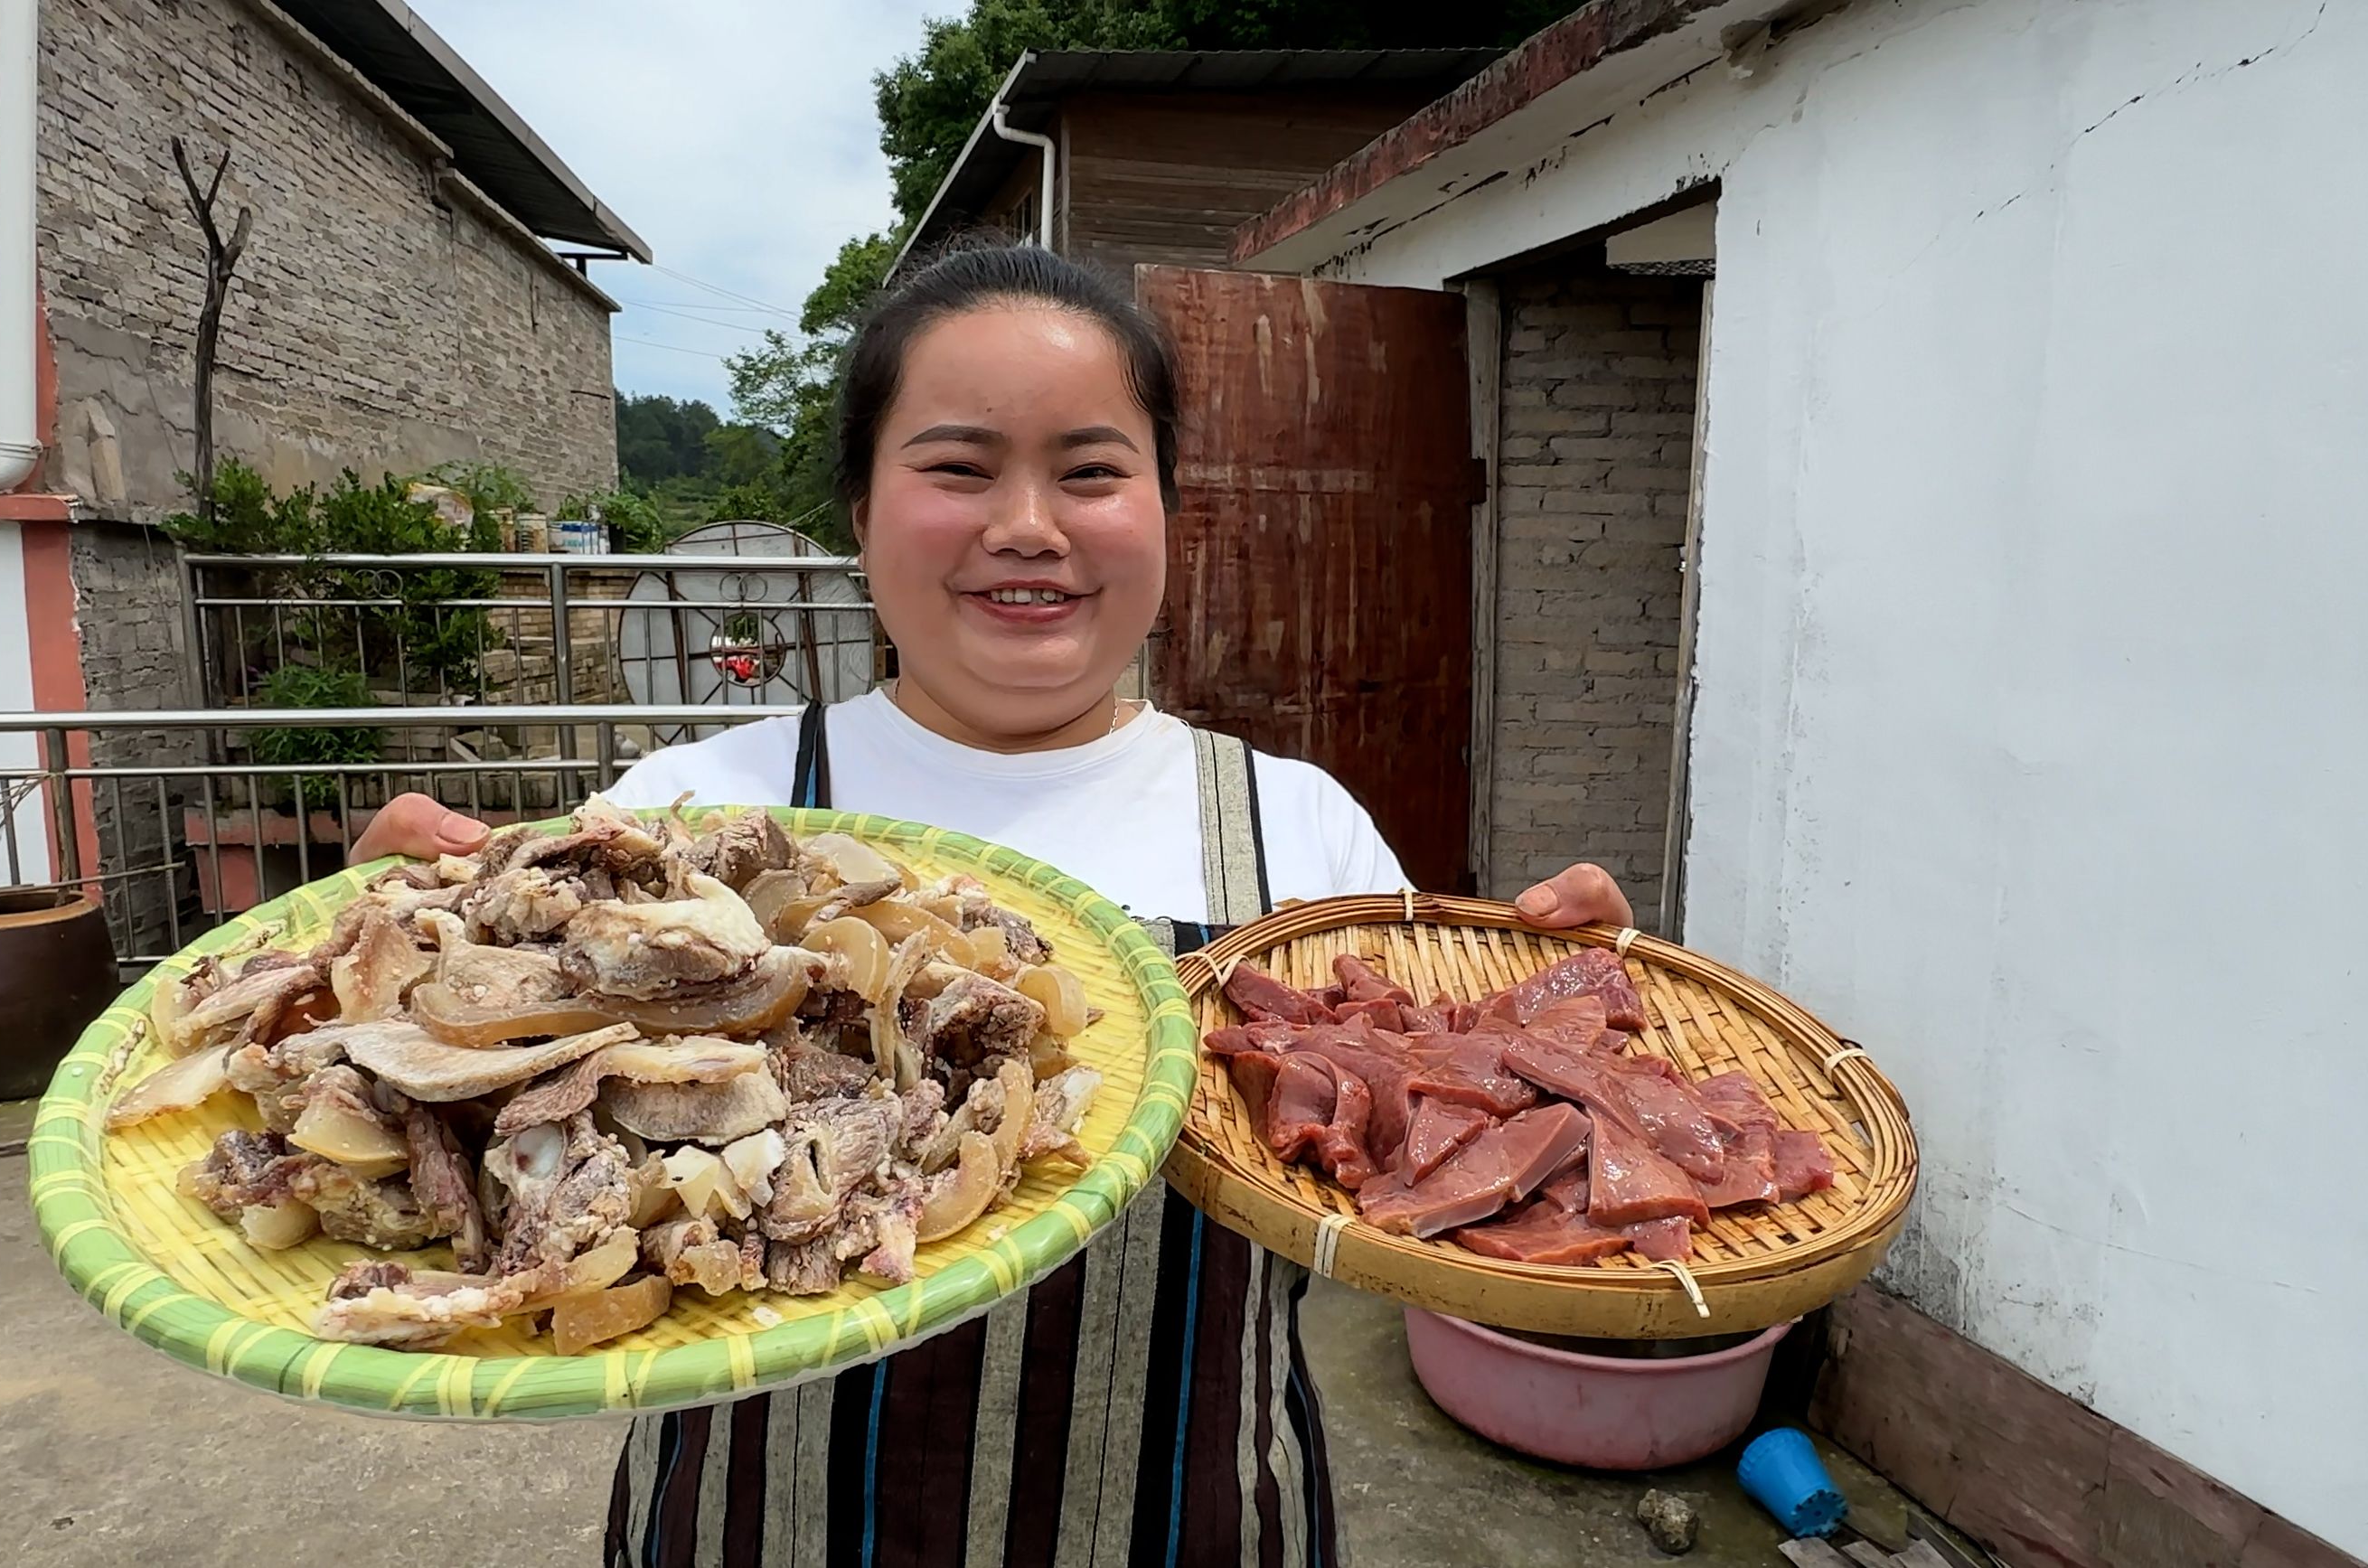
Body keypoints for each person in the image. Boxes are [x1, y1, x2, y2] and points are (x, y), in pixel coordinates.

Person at [346, 245, 1631, 1568]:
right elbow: (490, 1170)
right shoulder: (690, 810)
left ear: (1166, 507)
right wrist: (378, 968)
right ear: (859, 507)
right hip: (755, 1528)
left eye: (1089, 470)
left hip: (1190, 1524)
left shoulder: (1294, 827)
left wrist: (1574, 1049)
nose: (1029, 523)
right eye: (958, 469)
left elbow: (1431, 1175)